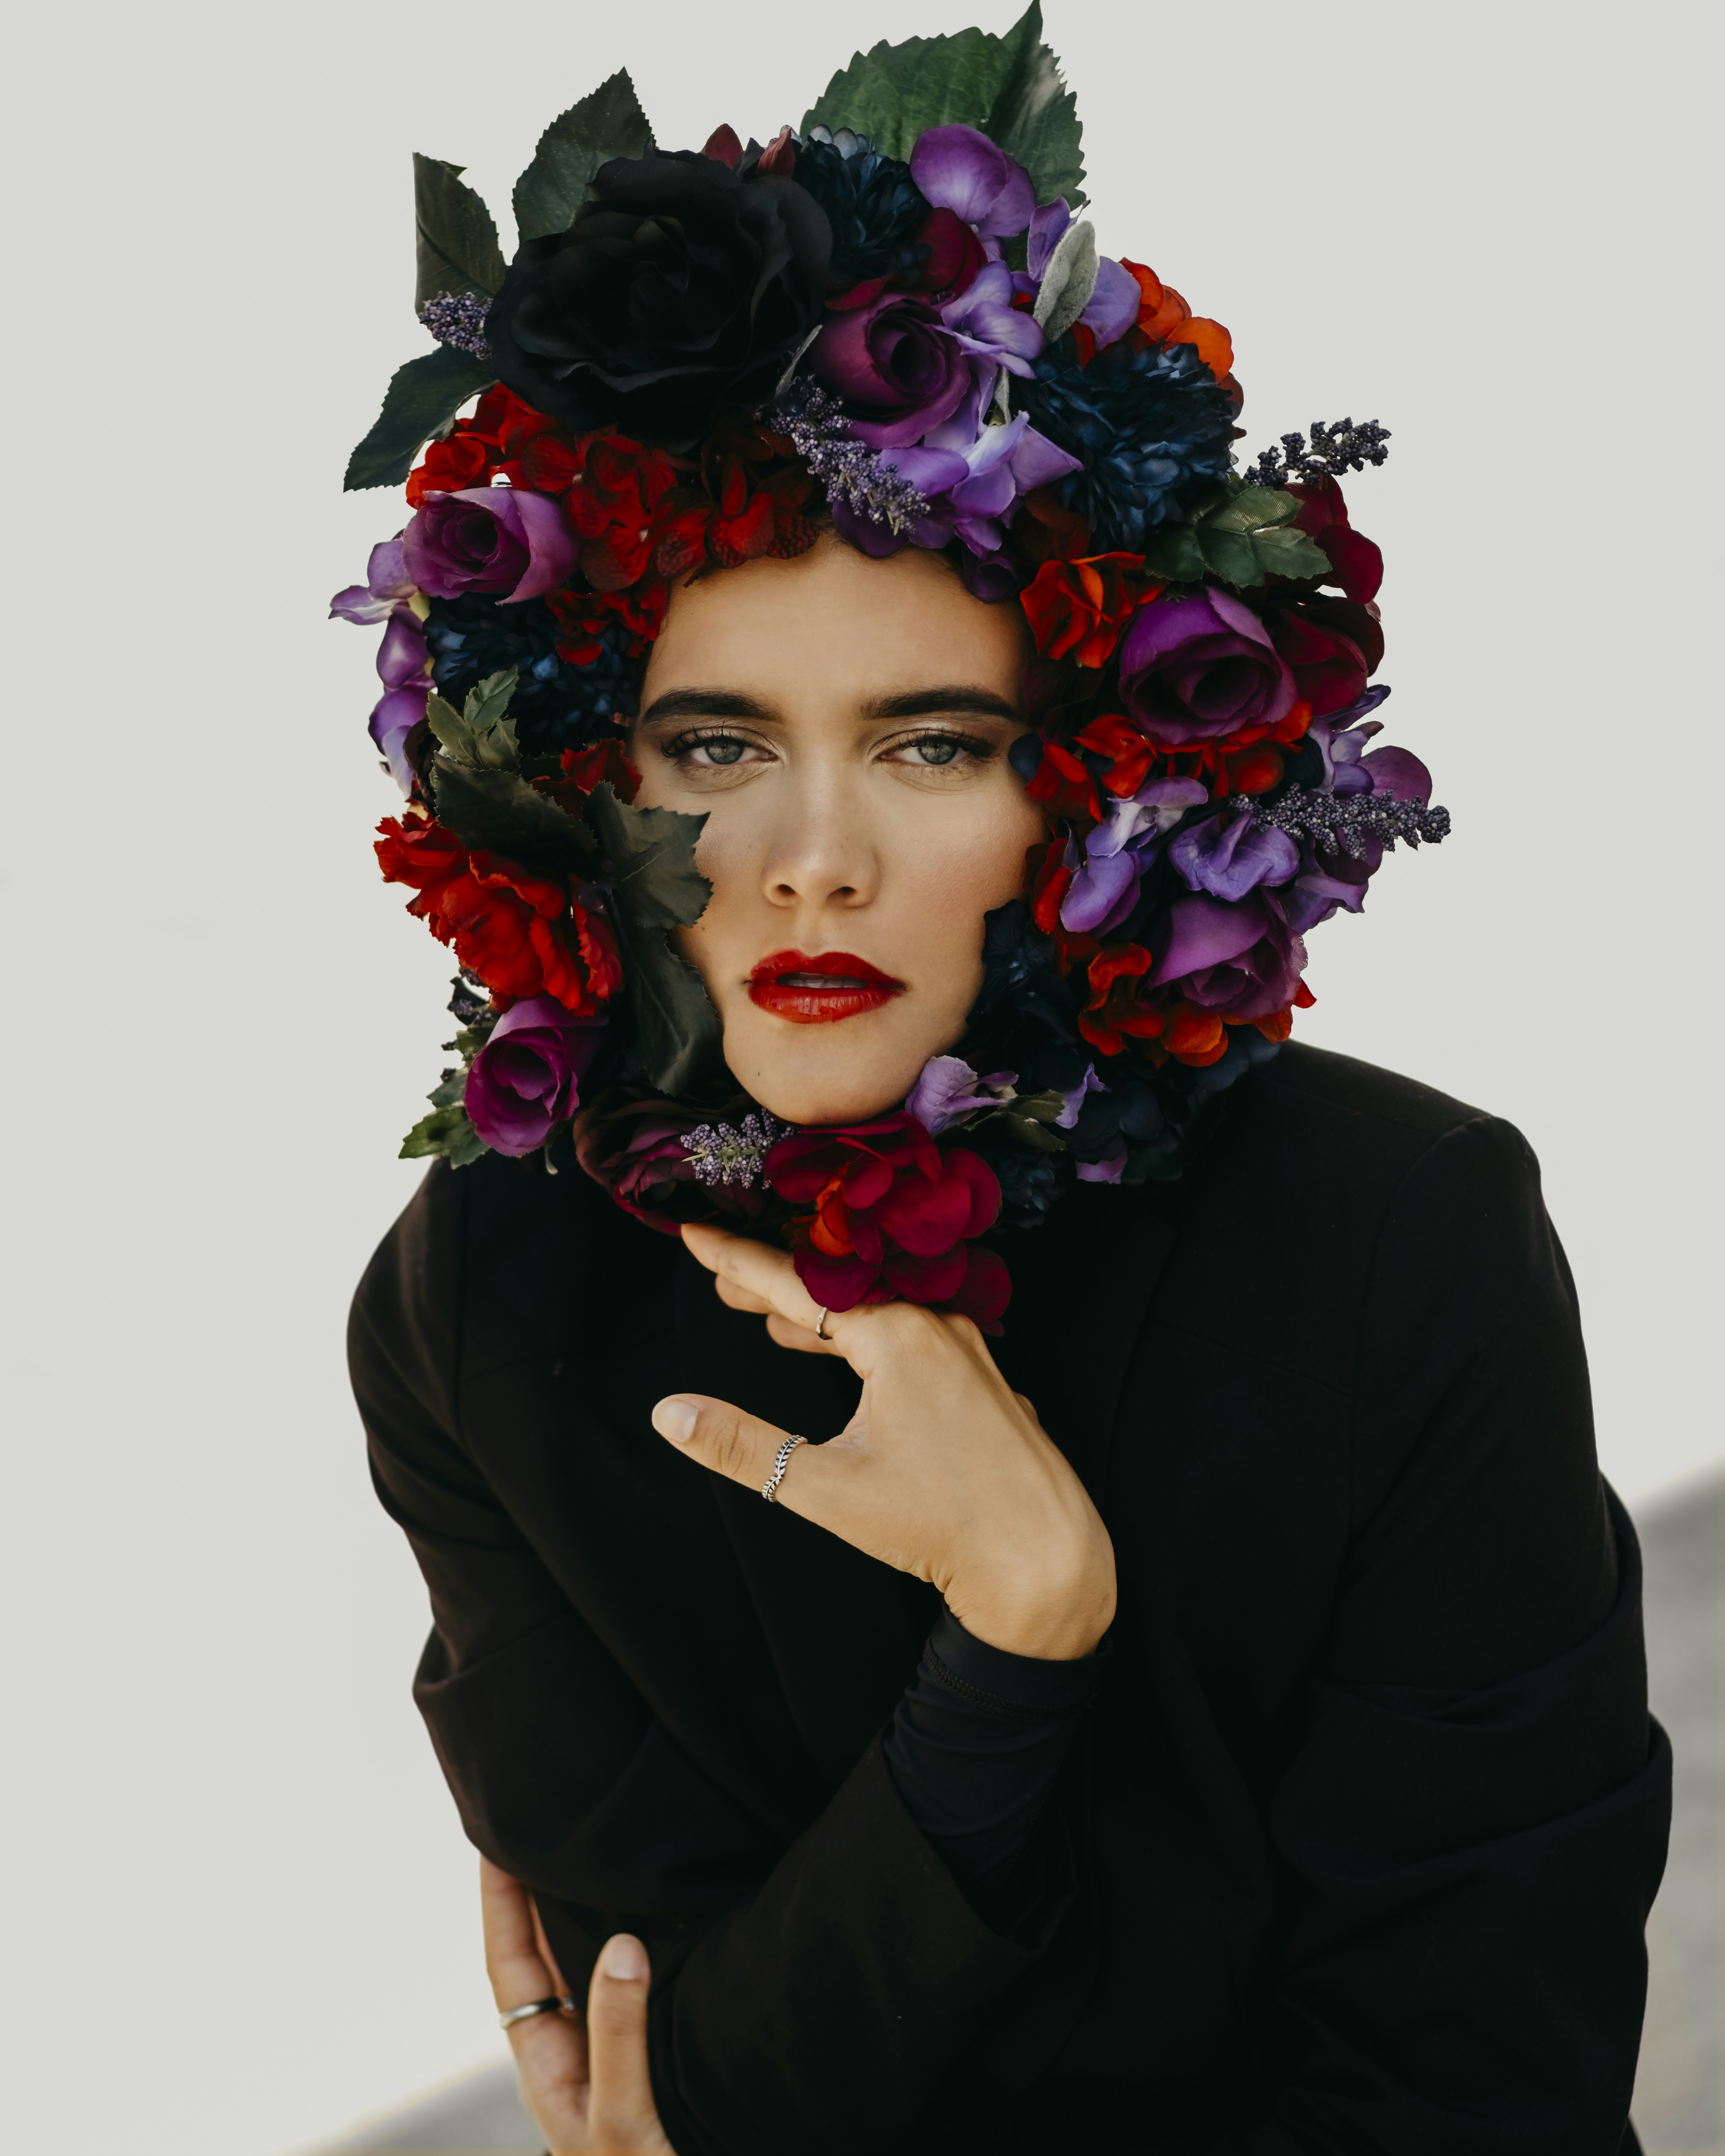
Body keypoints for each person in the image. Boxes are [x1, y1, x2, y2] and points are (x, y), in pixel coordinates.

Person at [338, 17, 1670, 2152]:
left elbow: (1478, 2094)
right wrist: (1015, 1643)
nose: (813, 855)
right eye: (714, 746)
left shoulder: (1393, 1244)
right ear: (579, 779)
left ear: (1087, 797)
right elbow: (703, 2098)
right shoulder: (484, 1303)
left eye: (932, 744)